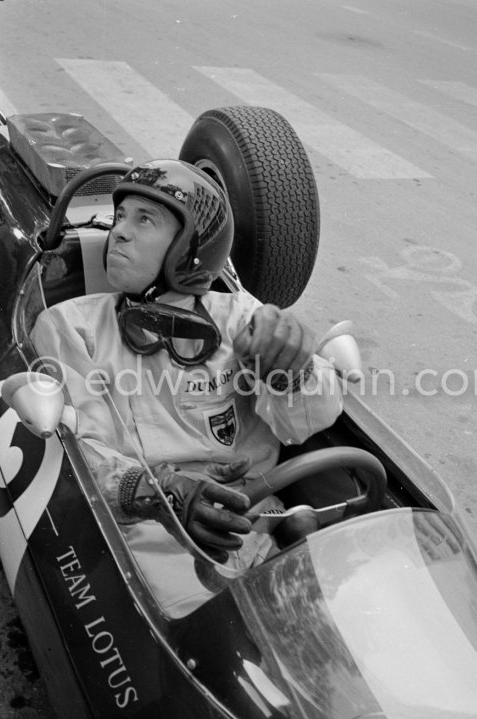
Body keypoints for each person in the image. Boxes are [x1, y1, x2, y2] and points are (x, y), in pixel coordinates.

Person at [31, 160, 343, 617]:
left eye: (144, 220)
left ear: (190, 248)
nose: (119, 232)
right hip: (142, 535)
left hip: (255, 522)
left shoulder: (239, 315)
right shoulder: (69, 325)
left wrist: (295, 369)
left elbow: (308, 423)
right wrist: (155, 490)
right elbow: (76, 453)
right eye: (121, 217)